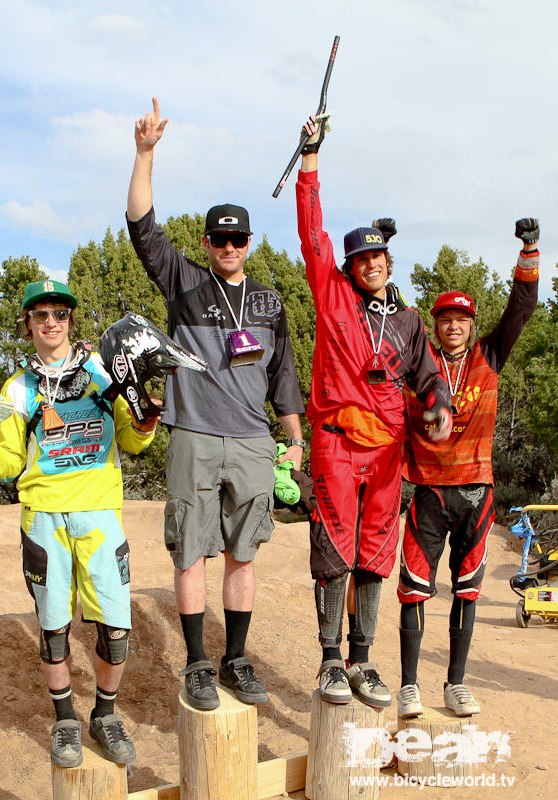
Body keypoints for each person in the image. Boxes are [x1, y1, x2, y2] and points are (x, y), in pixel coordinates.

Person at [126, 98, 305, 710]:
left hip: (255, 443)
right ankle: (198, 663)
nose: (228, 246)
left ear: (250, 243)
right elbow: (142, 229)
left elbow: (283, 375)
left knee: (243, 552)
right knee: (191, 551)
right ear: (206, 241)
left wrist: (294, 436)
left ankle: (236, 658)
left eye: (238, 238)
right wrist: (145, 155)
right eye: (219, 237)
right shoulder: (183, 283)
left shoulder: (271, 303)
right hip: (196, 436)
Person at [0, 280, 159, 768]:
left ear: (71, 320)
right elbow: (10, 464)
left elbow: (134, 441)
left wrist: (145, 419)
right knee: (54, 630)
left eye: (59, 313)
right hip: (44, 518)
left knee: (116, 630)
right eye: (40, 314)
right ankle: (65, 722)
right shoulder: (16, 390)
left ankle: (105, 715)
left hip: (99, 514)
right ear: (28, 325)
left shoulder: (101, 369)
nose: (50, 321)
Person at [295, 115, 452, 706]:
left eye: (379, 257)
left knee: (374, 554)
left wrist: (436, 403)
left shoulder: (410, 322)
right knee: (334, 549)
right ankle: (330, 661)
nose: (371, 264)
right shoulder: (332, 293)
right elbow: (314, 234)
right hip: (336, 439)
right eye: (361, 259)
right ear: (350, 268)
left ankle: (363, 662)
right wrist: (311, 160)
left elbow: (427, 376)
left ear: (389, 262)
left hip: (388, 451)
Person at [397, 219, 540, 718]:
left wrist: (529, 251)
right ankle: (409, 686)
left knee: (467, 587)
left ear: (472, 324)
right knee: (413, 585)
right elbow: (389, 316)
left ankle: (455, 684)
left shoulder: (490, 355)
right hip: (428, 491)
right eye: (445, 318)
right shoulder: (420, 360)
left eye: (461, 318)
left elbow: (522, 309)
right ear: (435, 324)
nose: (453, 325)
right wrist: (386, 250)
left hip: (476, 492)